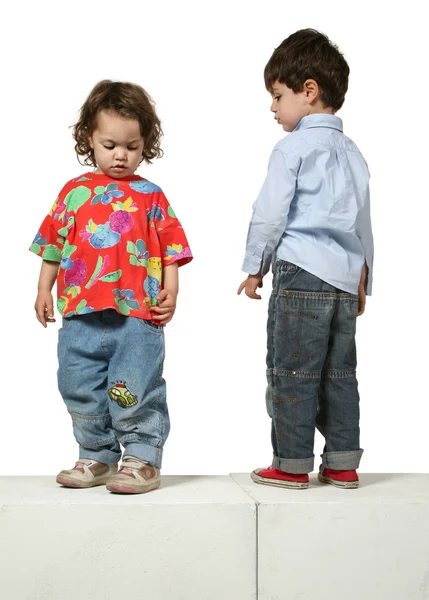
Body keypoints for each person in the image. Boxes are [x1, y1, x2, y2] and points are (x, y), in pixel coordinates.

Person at [30, 80, 192, 494]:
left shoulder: (151, 196)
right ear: (89, 138)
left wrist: (171, 291)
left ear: (145, 144)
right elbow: (53, 246)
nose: (121, 155)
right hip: (81, 312)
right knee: (77, 383)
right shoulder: (74, 192)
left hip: (137, 315)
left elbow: (171, 248)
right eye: (110, 144)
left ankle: (141, 458)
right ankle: (97, 454)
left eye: (132, 146)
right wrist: (44, 290)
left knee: (133, 386)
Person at [238, 29, 373, 489]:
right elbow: (363, 222)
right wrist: (362, 279)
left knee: (293, 370)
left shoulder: (292, 147)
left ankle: (291, 464)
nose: (273, 108)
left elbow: (270, 211)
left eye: (277, 96)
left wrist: (255, 265)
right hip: (341, 280)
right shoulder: (354, 154)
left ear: (308, 91)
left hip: (300, 275)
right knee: (339, 373)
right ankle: (341, 463)